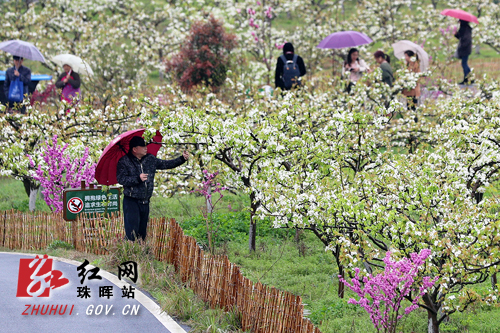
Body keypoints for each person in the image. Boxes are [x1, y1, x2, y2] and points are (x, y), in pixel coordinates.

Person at [116, 136, 190, 241]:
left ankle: (141, 254)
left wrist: (182, 159)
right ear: (135, 149)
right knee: (132, 232)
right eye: (142, 146)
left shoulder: (150, 159)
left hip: (145, 200)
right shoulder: (124, 161)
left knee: (142, 232)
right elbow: (121, 179)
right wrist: (137, 178)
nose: (145, 148)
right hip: (131, 200)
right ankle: (128, 254)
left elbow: (166, 164)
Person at [402, 50, 421, 120]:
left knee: (413, 107)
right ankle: (409, 121)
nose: (405, 58)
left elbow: (418, 77)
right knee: (408, 106)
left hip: (413, 90)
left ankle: (414, 121)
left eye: (406, 56)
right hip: (408, 90)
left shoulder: (415, 65)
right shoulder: (407, 64)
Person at [454, 19, 472, 85]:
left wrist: (462, 46)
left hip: (465, 49)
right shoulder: (463, 28)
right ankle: (470, 78)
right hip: (464, 49)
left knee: (464, 64)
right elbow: (461, 37)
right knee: (464, 63)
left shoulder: (466, 29)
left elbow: (466, 40)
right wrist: (456, 35)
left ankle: (467, 79)